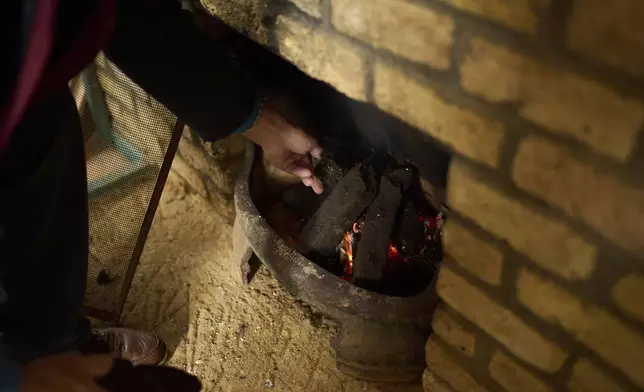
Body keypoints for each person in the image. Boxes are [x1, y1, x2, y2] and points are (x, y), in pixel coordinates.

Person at [0, 0, 323, 390]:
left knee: (45, 130)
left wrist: (259, 122)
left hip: (20, 79)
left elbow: (134, 16)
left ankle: (57, 342)